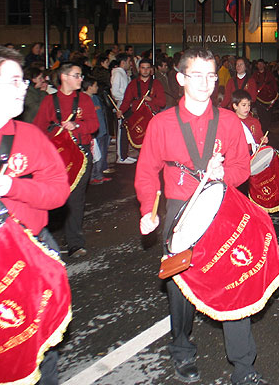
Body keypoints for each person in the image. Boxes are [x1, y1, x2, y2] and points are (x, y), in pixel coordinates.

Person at [135, 48, 268, 385]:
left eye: (211, 75)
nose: (206, 83)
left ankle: (244, 365)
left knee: (233, 278)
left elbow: (243, 167)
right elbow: (147, 172)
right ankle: (181, 349)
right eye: (196, 75)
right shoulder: (162, 123)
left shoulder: (229, 121)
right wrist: (146, 211)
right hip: (181, 211)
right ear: (180, 79)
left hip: (221, 207)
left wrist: (223, 175)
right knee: (180, 290)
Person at [0, 43, 70, 383]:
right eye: (15, 81)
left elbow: (58, 192)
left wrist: (16, 188)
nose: (25, 87)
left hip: (30, 255)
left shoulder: (32, 136)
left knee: (40, 349)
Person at [34, 61, 99, 258]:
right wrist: (55, 133)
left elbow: (94, 124)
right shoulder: (49, 101)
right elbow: (38, 128)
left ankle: (74, 242)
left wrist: (77, 126)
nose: (81, 79)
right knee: (53, 197)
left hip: (80, 154)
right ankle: (45, 237)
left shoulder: (85, 100)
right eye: (77, 75)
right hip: (58, 156)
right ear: (64, 77)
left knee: (76, 199)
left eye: (80, 76)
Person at [83, 77, 111, 185]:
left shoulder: (96, 98)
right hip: (94, 133)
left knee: (102, 153)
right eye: (95, 86)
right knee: (95, 155)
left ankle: (99, 175)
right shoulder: (84, 99)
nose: (97, 88)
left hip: (102, 130)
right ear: (89, 87)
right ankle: (93, 176)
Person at [111, 53, 136, 165]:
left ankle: (124, 154)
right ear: (123, 62)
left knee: (125, 130)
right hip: (122, 104)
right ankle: (121, 156)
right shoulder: (117, 74)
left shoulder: (124, 74)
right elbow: (115, 92)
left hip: (126, 103)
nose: (130, 64)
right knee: (121, 130)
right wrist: (126, 98)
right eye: (129, 61)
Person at [252, 58, 279, 132]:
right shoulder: (254, 75)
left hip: (269, 97)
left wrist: (275, 94)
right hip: (259, 98)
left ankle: (266, 128)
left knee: (268, 114)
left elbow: (274, 84)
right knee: (261, 114)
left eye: (261, 64)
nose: (260, 66)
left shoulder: (269, 74)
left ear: (264, 65)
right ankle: (263, 129)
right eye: (258, 64)